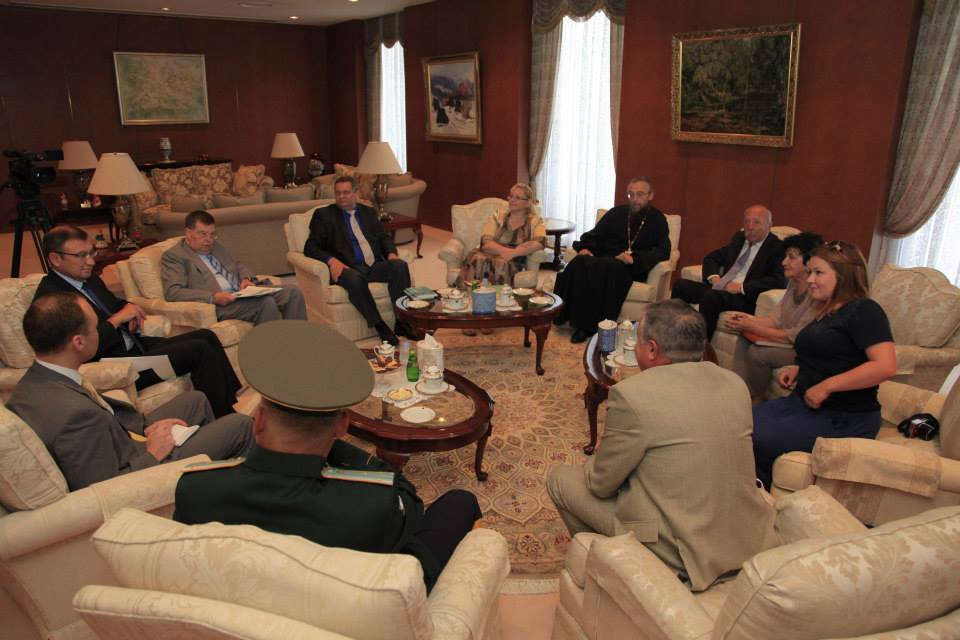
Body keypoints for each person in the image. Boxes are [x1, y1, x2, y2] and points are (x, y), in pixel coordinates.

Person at [173, 321, 482, 592]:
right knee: (460, 501)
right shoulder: (375, 504)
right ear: (342, 427)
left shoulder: (195, 488)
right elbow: (409, 504)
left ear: (259, 420)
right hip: (370, 603)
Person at [546, 300, 777, 591]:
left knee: (561, 480)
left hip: (683, 552)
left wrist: (601, 457)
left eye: (638, 339)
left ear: (652, 349)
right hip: (746, 536)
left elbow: (601, 484)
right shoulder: (734, 383)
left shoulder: (632, 395)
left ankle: (612, 569)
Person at [6, 292, 253, 491]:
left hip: (125, 440)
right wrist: (153, 452)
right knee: (240, 425)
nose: (101, 331)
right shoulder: (74, 416)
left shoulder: (38, 379)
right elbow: (105, 488)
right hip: (138, 467)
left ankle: (212, 483)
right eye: (95, 327)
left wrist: (145, 427)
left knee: (195, 400)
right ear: (78, 342)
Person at [36, 226, 242, 417]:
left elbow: (115, 303)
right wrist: (117, 320)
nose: (90, 261)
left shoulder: (88, 279)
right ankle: (222, 416)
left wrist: (131, 308)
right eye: (81, 255)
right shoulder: (53, 299)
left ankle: (229, 404)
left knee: (207, 335)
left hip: (136, 346)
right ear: (55, 258)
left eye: (91, 253)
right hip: (117, 364)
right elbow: (81, 347)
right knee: (198, 350)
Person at [752, 241, 897, 488]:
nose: (810, 279)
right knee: (739, 421)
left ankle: (758, 492)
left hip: (844, 417)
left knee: (759, 437)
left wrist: (827, 386)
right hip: (802, 405)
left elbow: (885, 366)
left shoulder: (864, 310)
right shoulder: (826, 311)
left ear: (844, 276)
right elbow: (832, 352)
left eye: (818, 272)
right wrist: (800, 368)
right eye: (810, 272)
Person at [552, 177, 671, 343]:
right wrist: (585, 247)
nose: (634, 199)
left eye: (640, 194)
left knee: (608, 267)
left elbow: (663, 251)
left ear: (650, 195)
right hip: (604, 259)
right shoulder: (617, 213)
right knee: (580, 261)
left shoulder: (658, 219)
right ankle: (561, 313)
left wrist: (633, 259)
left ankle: (587, 327)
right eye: (631, 194)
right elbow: (593, 235)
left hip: (629, 266)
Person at [303, 176, 416, 345]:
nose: (341, 196)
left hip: (373, 265)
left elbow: (383, 237)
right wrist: (331, 260)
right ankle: (380, 326)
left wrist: (392, 254)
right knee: (355, 280)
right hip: (347, 267)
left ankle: (402, 321)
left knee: (399, 266)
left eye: (346, 192)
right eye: (338, 193)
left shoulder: (368, 212)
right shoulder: (324, 215)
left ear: (356, 193)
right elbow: (310, 246)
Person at [161, 210, 307, 325]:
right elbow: (173, 292)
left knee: (293, 292)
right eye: (202, 234)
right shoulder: (175, 255)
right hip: (220, 304)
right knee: (266, 303)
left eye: (212, 234)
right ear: (188, 233)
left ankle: (298, 343)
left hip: (241, 294)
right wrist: (213, 297)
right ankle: (274, 350)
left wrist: (246, 279)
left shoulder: (216, 246)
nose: (209, 240)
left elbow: (236, 264)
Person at [725, 231, 823, 401]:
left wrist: (752, 325)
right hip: (787, 341)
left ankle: (755, 399)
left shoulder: (817, 292)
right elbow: (775, 319)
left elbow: (795, 336)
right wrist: (747, 321)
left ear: (809, 262)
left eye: (791, 258)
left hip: (802, 348)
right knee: (744, 334)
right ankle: (737, 391)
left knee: (758, 354)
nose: (784, 262)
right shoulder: (794, 283)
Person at [672, 205, 785, 339]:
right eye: (747, 221)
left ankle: (700, 344)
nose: (750, 227)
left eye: (756, 222)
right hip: (722, 288)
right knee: (681, 285)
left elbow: (778, 280)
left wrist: (742, 287)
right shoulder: (739, 238)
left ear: (769, 225)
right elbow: (712, 258)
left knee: (711, 297)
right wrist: (714, 278)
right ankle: (673, 335)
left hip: (745, 297)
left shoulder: (777, 247)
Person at [460, 183, 546, 286]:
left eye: (517, 198)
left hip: (512, 261)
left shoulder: (535, 221)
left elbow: (540, 242)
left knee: (501, 264)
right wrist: (508, 252)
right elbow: (486, 242)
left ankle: (498, 295)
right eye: (511, 196)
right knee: (478, 258)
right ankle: (468, 293)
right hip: (490, 253)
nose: (512, 200)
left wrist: (513, 254)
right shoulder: (498, 215)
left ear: (528, 203)